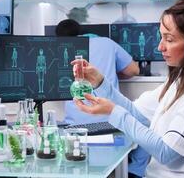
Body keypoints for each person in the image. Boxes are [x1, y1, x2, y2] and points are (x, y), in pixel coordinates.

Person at [72, 0, 184, 178]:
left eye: (169, 39)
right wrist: (100, 83)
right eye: (161, 37)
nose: (160, 47)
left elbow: (167, 153)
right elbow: (138, 115)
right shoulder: (181, 80)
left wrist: (113, 112)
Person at [56, 19, 144, 178]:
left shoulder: (58, 49)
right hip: (110, 124)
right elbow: (134, 70)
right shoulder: (106, 43)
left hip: (74, 128)